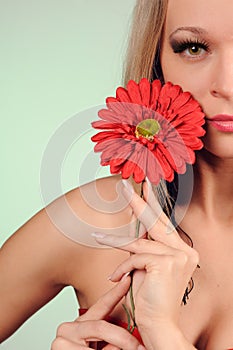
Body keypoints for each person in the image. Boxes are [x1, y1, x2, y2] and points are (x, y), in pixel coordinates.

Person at [1, 0, 233, 348]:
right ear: (158, 62)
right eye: (194, 48)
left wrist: (163, 335)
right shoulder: (91, 222)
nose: (227, 84)